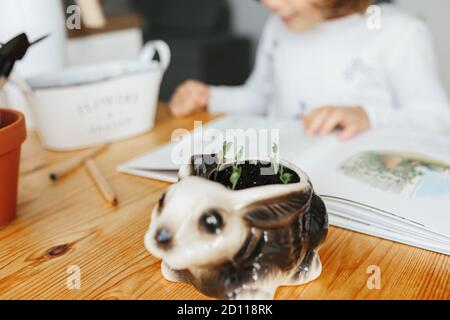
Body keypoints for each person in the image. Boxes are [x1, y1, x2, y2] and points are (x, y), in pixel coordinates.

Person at [169, 0, 450, 140]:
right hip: (289, 177)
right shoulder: (279, 27)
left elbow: (436, 119)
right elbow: (260, 98)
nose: (272, 4)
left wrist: (369, 117)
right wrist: (210, 97)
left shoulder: (399, 33)